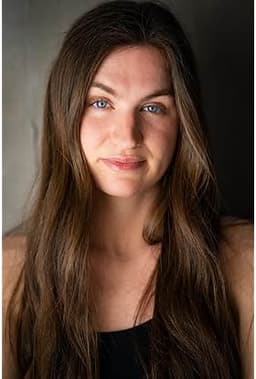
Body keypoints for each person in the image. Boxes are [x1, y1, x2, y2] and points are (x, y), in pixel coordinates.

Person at [3, 1, 253, 378]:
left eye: (153, 108)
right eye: (101, 102)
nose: (127, 136)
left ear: (183, 122)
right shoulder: (9, 274)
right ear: (65, 113)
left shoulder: (244, 261)